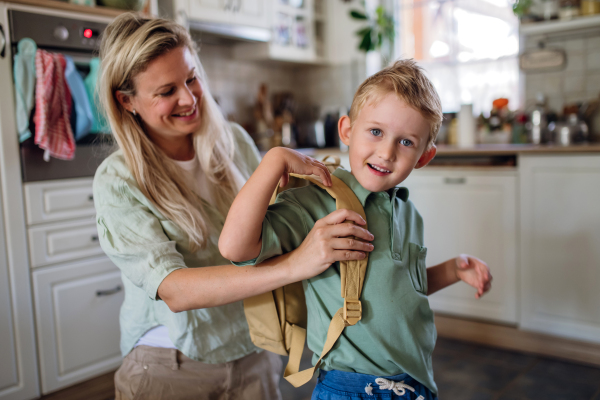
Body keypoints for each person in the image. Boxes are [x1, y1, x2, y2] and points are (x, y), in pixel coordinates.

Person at [93, 13, 375, 400]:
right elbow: (174, 290)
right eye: (166, 91)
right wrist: (295, 264)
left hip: (252, 351)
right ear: (127, 101)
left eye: (192, 78)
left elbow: (269, 233)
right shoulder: (118, 180)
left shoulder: (236, 142)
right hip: (169, 364)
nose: (189, 99)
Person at [219, 59, 493, 399]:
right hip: (350, 387)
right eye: (375, 132)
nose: (387, 152)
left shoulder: (408, 213)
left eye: (406, 142)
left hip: (414, 383)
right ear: (346, 130)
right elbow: (234, 247)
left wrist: (453, 269)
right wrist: (274, 160)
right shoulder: (317, 203)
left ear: (424, 156)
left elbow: (404, 291)